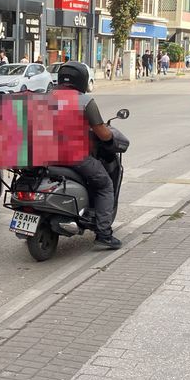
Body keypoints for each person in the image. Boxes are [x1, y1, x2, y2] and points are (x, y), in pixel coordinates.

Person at [56, 61, 122, 250]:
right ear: (82, 80)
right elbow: (102, 132)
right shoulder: (85, 101)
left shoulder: (45, 97)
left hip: (45, 156)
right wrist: (110, 139)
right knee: (105, 185)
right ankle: (104, 233)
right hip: (74, 157)